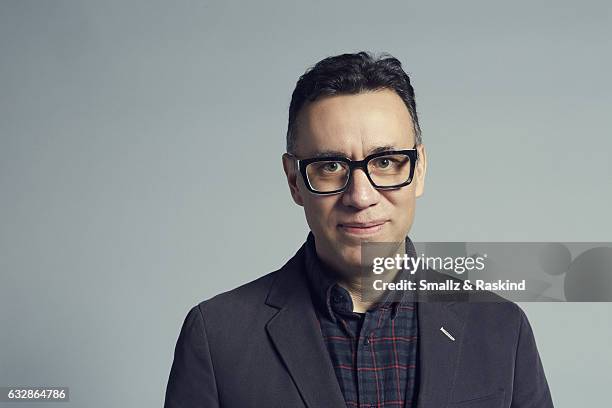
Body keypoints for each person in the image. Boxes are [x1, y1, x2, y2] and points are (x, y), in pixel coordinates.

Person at [164, 52, 554, 408]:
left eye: (386, 162)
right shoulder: (216, 338)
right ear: (294, 181)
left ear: (418, 171)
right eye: (330, 166)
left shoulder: (502, 328)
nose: (361, 196)